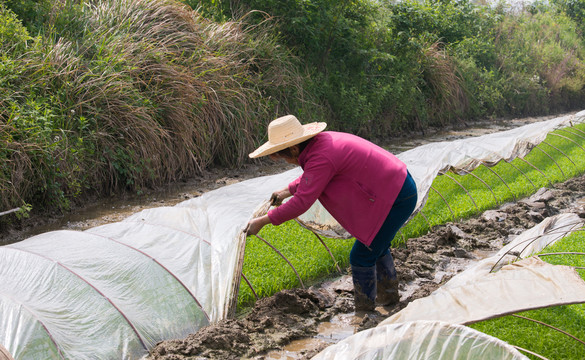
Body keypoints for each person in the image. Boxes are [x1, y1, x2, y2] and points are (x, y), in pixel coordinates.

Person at [245, 115, 418, 311]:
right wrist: (287, 190)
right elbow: (314, 175)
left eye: (285, 157)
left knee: (361, 256)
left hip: (395, 197)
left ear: (294, 149)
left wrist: (264, 221)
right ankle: (389, 301)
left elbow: (302, 201)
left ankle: (365, 312)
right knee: (375, 247)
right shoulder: (321, 144)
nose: (287, 162)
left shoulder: (322, 155)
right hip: (396, 187)